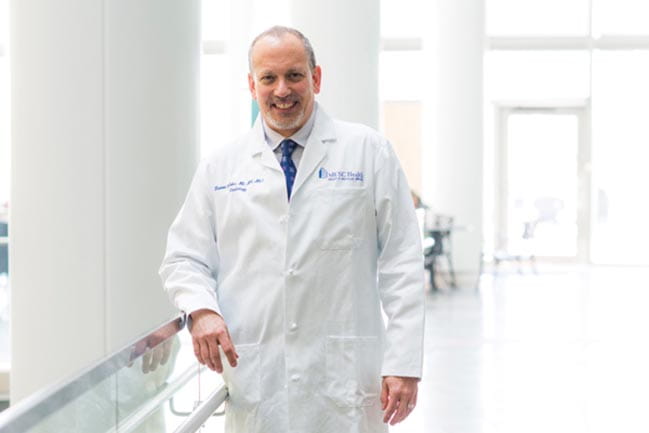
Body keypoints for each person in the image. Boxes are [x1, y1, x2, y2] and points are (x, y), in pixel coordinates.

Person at [160, 25, 425, 433]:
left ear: (316, 78)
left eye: (294, 75)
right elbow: (183, 257)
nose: (282, 90)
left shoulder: (368, 151)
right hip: (258, 382)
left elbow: (402, 261)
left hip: (345, 383)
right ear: (252, 86)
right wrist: (203, 310)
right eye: (269, 78)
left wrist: (403, 363)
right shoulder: (221, 166)